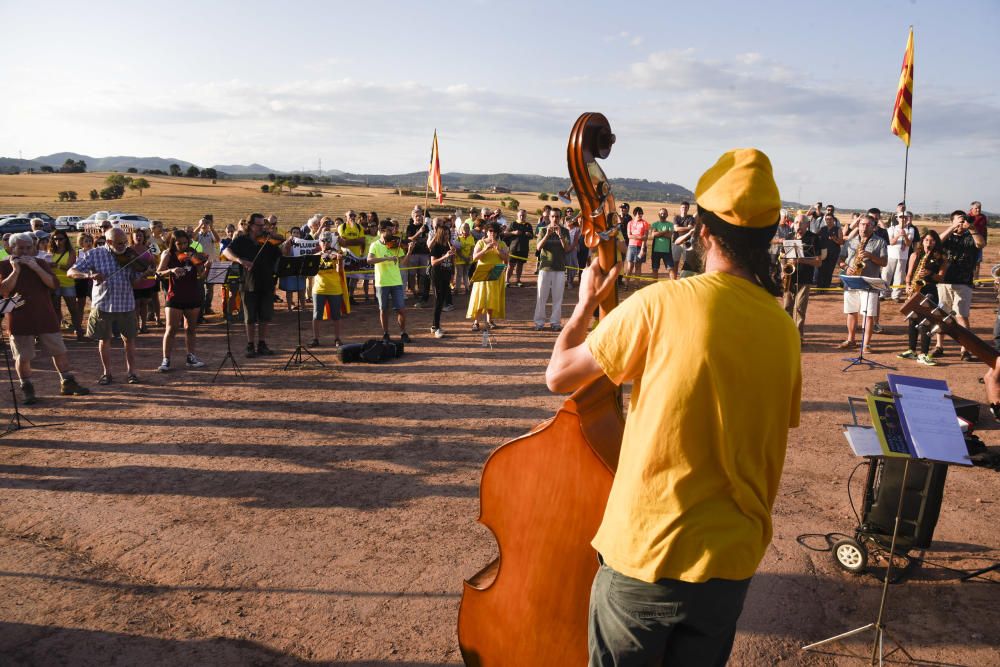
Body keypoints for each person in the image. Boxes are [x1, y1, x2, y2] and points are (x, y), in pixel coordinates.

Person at [545, 149, 799, 666]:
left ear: (702, 232)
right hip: (730, 562)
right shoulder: (784, 330)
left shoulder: (662, 302)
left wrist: (583, 309)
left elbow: (560, 376)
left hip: (649, 552)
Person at [0, 233, 90, 403]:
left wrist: (36, 268)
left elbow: (53, 284)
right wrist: (16, 271)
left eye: (29, 248)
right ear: (12, 249)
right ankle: (27, 387)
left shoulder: (40, 263)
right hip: (19, 318)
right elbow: (4, 290)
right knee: (23, 356)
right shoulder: (4, 266)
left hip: (44, 314)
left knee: (59, 350)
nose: (25, 252)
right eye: (21, 248)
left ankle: (67, 382)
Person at [67, 227, 146, 385]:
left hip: (126, 303)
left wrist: (143, 274)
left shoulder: (130, 255)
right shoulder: (94, 254)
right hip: (103, 304)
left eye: (125, 242)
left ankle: (132, 372)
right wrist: (88, 275)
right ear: (109, 242)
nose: (124, 246)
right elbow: (71, 271)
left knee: (129, 339)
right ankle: (107, 373)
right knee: (104, 340)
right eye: (119, 243)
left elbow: (135, 281)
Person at [221, 212, 282, 358]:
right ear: (250, 226)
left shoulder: (268, 241)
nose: (262, 228)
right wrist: (240, 260)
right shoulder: (241, 240)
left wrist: (282, 242)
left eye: (263, 225)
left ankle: (262, 343)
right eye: (259, 225)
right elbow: (226, 251)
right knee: (250, 317)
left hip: (267, 282)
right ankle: (250, 344)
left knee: (265, 316)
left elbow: (280, 253)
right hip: (248, 283)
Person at [155, 230, 207, 372]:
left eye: (185, 243)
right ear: (173, 243)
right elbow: (158, 273)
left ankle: (191, 357)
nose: (183, 246)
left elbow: (201, 275)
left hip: (192, 295)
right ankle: (166, 360)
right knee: (171, 329)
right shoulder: (168, 254)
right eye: (179, 243)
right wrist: (171, 270)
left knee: (191, 328)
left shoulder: (193, 254)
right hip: (175, 295)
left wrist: (205, 267)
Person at [836, 214, 887, 354]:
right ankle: (851, 340)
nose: (864, 227)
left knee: (868, 314)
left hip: (869, 282)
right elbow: (840, 258)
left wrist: (870, 256)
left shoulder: (880, 242)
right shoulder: (851, 241)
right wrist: (846, 267)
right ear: (858, 226)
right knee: (851, 312)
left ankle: (866, 344)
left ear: (873, 227)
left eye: (867, 225)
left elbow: (884, 262)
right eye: (862, 224)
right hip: (851, 280)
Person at [937, 210, 985, 360]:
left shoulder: (970, 236)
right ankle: (939, 346)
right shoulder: (948, 236)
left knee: (961, 316)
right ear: (952, 221)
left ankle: (965, 349)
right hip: (944, 282)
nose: (961, 223)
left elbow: (981, 243)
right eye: (958, 220)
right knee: (942, 316)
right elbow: (936, 242)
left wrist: (971, 227)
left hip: (964, 282)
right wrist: (952, 227)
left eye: (963, 220)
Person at [898, 230, 947, 366]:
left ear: (936, 242)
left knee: (926, 322)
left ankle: (924, 354)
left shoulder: (941, 257)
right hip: (915, 290)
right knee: (912, 320)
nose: (928, 243)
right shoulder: (915, 255)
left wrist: (930, 273)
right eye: (926, 240)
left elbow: (941, 277)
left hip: (930, 290)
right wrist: (907, 285)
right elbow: (908, 274)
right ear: (922, 241)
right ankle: (911, 350)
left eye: (931, 240)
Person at [781, 214, 823, 339]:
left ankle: (798, 337)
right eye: (796, 222)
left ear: (807, 224)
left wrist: (801, 260)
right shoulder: (789, 236)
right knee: (786, 307)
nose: (798, 225)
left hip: (805, 278)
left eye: (801, 223)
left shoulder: (813, 238)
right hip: (789, 278)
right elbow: (782, 256)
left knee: (799, 309)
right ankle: (786, 336)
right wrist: (783, 269)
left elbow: (818, 262)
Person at [367, 223, 410, 343]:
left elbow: (403, 263)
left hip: (396, 281)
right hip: (382, 283)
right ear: (382, 231)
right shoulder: (375, 245)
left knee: (401, 309)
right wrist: (386, 258)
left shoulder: (396, 245)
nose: (393, 233)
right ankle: (386, 333)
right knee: (383, 309)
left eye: (393, 230)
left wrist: (409, 251)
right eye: (390, 230)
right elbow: (369, 260)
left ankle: (403, 332)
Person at [467, 221, 509, 333]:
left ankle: (490, 320)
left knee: (492, 297)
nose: (492, 234)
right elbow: (474, 258)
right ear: (486, 231)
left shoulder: (502, 244)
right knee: (479, 297)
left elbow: (506, 259)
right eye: (490, 231)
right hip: (482, 273)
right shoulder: (480, 243)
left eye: (495, 231)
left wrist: (497, 249)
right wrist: (485, 249)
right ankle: (476, 322)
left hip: (496, 273)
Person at [310, 231, 349, 347]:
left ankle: (337, 338)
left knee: (336, 315)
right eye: (323, 241)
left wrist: (339, 260)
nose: (325, 243)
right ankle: (315, 338)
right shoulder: (316, 256)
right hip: (319, 289)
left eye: (328, 241)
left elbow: (339, 271)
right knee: (317, 315)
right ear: (320, 242)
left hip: (334, 289)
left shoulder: (336, 254)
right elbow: (312, 272)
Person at [533, 209, 569, 331]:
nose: (555, 219)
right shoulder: (543, 230)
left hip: (559, 268)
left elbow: (567, 248)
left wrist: (560, 236)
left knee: (558, 297)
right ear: (549, 217)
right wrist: (547, 234)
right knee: (541, 296)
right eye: (553, 216)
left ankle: (555, 322)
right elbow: (538, 247)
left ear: (560, 218)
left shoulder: (564, 231)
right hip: (545, 267)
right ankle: (539, 322)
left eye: (557, 217)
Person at [48, 230, 86, 340]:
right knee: (56, 309)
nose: (58, 241)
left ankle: (79, 332)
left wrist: (55, 265)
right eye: (55, 239)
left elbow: (70, 267)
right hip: (54, 283)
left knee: (73, 309)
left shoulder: (71, 252)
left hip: (68, 283)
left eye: (60, 239)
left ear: (65, 239)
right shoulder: (50, 251)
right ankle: (57, 334)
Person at [428, 220, 456, 338]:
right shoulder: (436, 246)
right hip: (437, 275)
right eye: (444, 234)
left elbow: (452, 262)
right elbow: (433, 262)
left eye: (448, 233)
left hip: (446, 275)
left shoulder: (449, 245)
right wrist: (445, 256)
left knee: (442, 300)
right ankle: (436, 327)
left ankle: (435, 325)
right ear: (440, 234)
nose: (447, 236)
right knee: (438, 301)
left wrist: (452, 275)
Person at [130, 229, 158, 333]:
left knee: (144, 303)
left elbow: (153, 262)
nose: (138, 237)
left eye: (140, 235)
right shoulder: (129, 250)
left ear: (143, 237)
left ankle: (144, 325)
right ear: (132, 237)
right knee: (136, 304)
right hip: (135, 281)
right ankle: (136, 326)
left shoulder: (149, 248)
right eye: (136, 236)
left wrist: (153, 268)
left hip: (147, 281)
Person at [884, 211, 917, 301]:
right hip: (891, 255)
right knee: (886, 275)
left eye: (905, 217)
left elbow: (909, 243)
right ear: (897, 218)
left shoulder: (911, 230)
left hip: (903, 257)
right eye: (901, 217)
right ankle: (883, 293)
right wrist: (898, 235)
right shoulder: (891, 228)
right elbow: (891, 242)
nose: (903, 219)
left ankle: (896, 295)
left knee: (899, 276)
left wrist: (905, 235)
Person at [194, 215, 220, 317]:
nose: (204, 225)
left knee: (210, 288)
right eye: (202, 223)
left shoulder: (210, 234)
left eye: (206, 223)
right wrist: (200, 224)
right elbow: (192, 238)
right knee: (200, 287)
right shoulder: (198, 235)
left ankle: (207, 307)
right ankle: (200, 309)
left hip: (211, 263)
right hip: (199, 265)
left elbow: (217, 240)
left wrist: (211, 227)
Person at [405, 208, 431, 306]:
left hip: (424, 253)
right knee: (412, 274)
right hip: (413, 253)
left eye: (420, 215)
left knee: (423, 274)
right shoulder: (410, 227)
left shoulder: (426, 227)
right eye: (417, 216)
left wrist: (421, 238)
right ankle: (413, 291)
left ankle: (421, 291)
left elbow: (428, 238)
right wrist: (419, 233)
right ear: (413, 217)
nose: (419, 217)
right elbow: (409, 239)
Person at [279, 226, 308, 311]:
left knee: (302, 289)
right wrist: (288, 243)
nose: (296, 234)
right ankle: (289, 307)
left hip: (300, 269)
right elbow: (284, 254)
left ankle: (303, 307)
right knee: (289, 289)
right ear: (291, 234)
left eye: (297, 233)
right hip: (289, 269)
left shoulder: (303, 243)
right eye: (294, 232)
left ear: (300, 235)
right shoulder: (286, 243)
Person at [504, 209, 533, 287]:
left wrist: (529, 234)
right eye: (520, 215)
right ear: (517, 215)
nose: (521, 216)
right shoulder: (513, 224)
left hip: (523, 249)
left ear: (525, 216)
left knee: (520, 265)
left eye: (523, 215)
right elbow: (505, 234)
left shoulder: (528, 225)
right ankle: (507, 281)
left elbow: (532, 236)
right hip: (513, 248)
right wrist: (513, 232)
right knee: (511, 265)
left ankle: (518, 280)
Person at [815, 212, 844, 288]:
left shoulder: (838, 229)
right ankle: (819, 286)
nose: (828, 220)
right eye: (827, 219)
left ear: (833, 220)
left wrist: (835, 239)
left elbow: (841, 242)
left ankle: (826, 286)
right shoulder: (823, 229)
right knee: (821, 270)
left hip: (833, 253)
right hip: (823, 252)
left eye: (830, 219)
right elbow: (815, 237)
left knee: (829, 271)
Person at [624, 206, 650, 290]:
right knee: (630, 266)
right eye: (637, 213)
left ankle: (636, 285)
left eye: (640, 213)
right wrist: (640, 237)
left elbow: (645, 237)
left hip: (641, 247)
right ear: (634, 214)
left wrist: (642, 249)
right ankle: (626, 284)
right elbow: (629, 236)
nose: (639, 214)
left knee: (638, 267)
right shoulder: (630, 223)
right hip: (631, 246)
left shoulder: (645, 223)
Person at [649, 208, 675, 281]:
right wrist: (665, 231)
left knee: (671, 269)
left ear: (667, 215)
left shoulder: (670, 224)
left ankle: (673, 285)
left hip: (667, 251)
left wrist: (659, 233)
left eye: (664, 213)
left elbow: (669, 236)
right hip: (655, 250)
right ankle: (654, 285)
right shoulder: (655, 224)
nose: (662, 215)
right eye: (661, 213)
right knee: (655, 269)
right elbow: (654, 234)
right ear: (658, 214)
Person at [969, 201, 988, 284]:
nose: (978, 210)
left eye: (979, 208)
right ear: (972, 209)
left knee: (977, 262)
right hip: (969, 243)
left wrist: (985, 240)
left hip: (979, 242)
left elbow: (985, 229)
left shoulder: (983, 217)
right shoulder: (968, 217)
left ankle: (976, 280)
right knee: (968, 261)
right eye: (976, 208)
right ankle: (968, 280)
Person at [671, 201, 695, 269]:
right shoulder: (676, 218)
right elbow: (676, 229)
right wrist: (688, 228)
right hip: (676, 243)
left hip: (687, 243)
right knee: (675, 262)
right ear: (680, 208)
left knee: (687, 263)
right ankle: (674, 279)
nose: (684, 209)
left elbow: (690, 228)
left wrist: (679, 228)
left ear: (688, 209)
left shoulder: (691, 218)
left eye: (686, 207)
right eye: (682, 207)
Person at [454, 222, 475, 295]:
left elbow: (472, 248)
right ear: (461, 230)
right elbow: (457, 251)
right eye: (465, 228)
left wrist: (470, 256)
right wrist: (464, 258)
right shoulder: (458, 239)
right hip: (460, 260)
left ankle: (467, 288)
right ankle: (457, 289)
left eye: (468, 228)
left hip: (468, 259)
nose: (467, 229)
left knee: (466, 274)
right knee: (459, 274)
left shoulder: (471, 238)